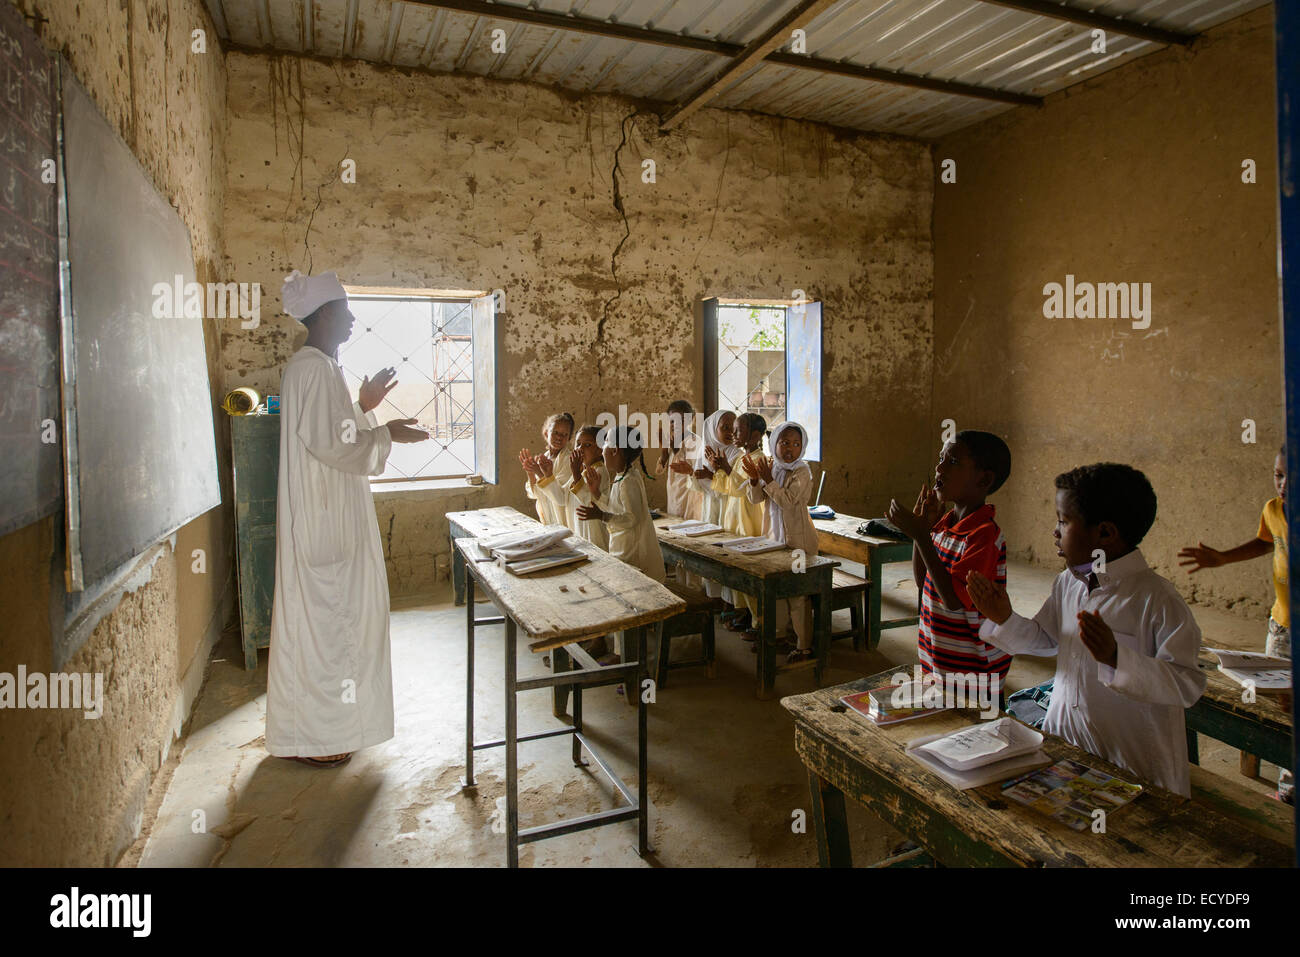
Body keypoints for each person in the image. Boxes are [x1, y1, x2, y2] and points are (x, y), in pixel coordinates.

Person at [266, 270, 430, 768]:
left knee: (332, 627)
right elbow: (334, 446)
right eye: (345, 310)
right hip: (325, 525)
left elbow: (333, 432)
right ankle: (320, 737)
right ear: (322, 316)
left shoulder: (320, 367)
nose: (353, 318)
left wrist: (363, 406)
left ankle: (319, 732)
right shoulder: (312, 368)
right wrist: (387, 434)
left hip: (331, 517)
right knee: (331, 629)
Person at [967, 463, 1207, 797]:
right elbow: (1047, 639)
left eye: (1063, 521)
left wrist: (1116, 658)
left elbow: (1187, 684)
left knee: (1124, 839)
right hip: (1068, 740)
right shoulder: (1069, 583)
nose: (1055, 530)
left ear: (1105, 534)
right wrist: (1005, 617)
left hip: (1134, 763)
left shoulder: (1156, 599)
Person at [1177, 445, 1293, 802]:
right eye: (1278, 474)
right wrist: (1222, 558)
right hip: (1282, 627)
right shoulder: (1274, 510)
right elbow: (1264, 541)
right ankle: (1289, 785)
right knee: (1281, 707)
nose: (1284, 484)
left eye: (1292, 475)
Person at [887, 430, 1012, 689]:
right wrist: (924, 530)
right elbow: (924, 581)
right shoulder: (945, 524)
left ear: (984, 479)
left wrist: (922, 535)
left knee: (972, 728)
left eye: (952, 462)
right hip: (940, 661)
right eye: (941, 458)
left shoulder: (984, 535)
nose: (939, 467)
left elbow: (954, 600)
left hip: (974, 672)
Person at [578, 425, 665, 665]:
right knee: (620, 604)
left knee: (627, 606)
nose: (602, 451)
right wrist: (597, 494)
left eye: (604, 446)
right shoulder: (622, 477)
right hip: (623, 550)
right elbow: (617, 507)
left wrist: (602, 516)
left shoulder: (628, 481)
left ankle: (626, 658)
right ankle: (621, 653)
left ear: (615, 450)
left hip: (634, 553)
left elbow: (631, 518)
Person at [742, 421, 819, 663]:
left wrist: (767, 479)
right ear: (774, 443)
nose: (790, 449)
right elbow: (755, 499)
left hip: (798, 543)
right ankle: (779, 636)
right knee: (776, 591)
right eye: (785, 442)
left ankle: (804, 646)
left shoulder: (802, 471)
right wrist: (755, 479)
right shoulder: (771, 467)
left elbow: (788, 501)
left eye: (796, 444)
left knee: (797, 595)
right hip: (774, 538)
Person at [712, 412, 767, 635]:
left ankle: (759, 623)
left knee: (751, 571)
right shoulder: (739, 458)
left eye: (739, 430)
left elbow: (743, 488)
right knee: (737, 570)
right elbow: (727, 488)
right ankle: (744, 612)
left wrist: (726, 469)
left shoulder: (759, 458)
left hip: (749, 518)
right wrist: (720, 468)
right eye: (733, 430)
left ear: (754, 435)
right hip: (734, 517)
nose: (734, 434)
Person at [690, 409, 737, 601]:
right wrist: (694, 473)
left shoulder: (736, 453)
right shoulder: (705, 450)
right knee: (711, 550)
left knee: (729, 554)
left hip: (731, 509)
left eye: (734, 428)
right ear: (712, 428)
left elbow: (734, 486)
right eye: (725, 427)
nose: (730, 432)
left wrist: (711, 475)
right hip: (710, 508)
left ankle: (730, 602)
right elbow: (698, 486)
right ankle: (714, 597)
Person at [519, 412, 574, 527]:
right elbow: (536, 494)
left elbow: (561, 497)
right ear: (546, 433)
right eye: (555, 433)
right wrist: (530, 473)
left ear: (569, 438)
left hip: (564, 520)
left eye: (564, 434)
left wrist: (538, 472)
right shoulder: (545, 457)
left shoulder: (569, 460)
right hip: (548, 519)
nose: (559, 437)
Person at [564, 424, 610, 551]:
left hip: (595, 531)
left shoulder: (600, 471)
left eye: (587, 445)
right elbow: (563, 497)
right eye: (578, 444)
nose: (580, 449)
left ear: (600, 449)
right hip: (581, 528)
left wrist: (576, 474)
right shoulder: (582, 471)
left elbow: (590, 502)